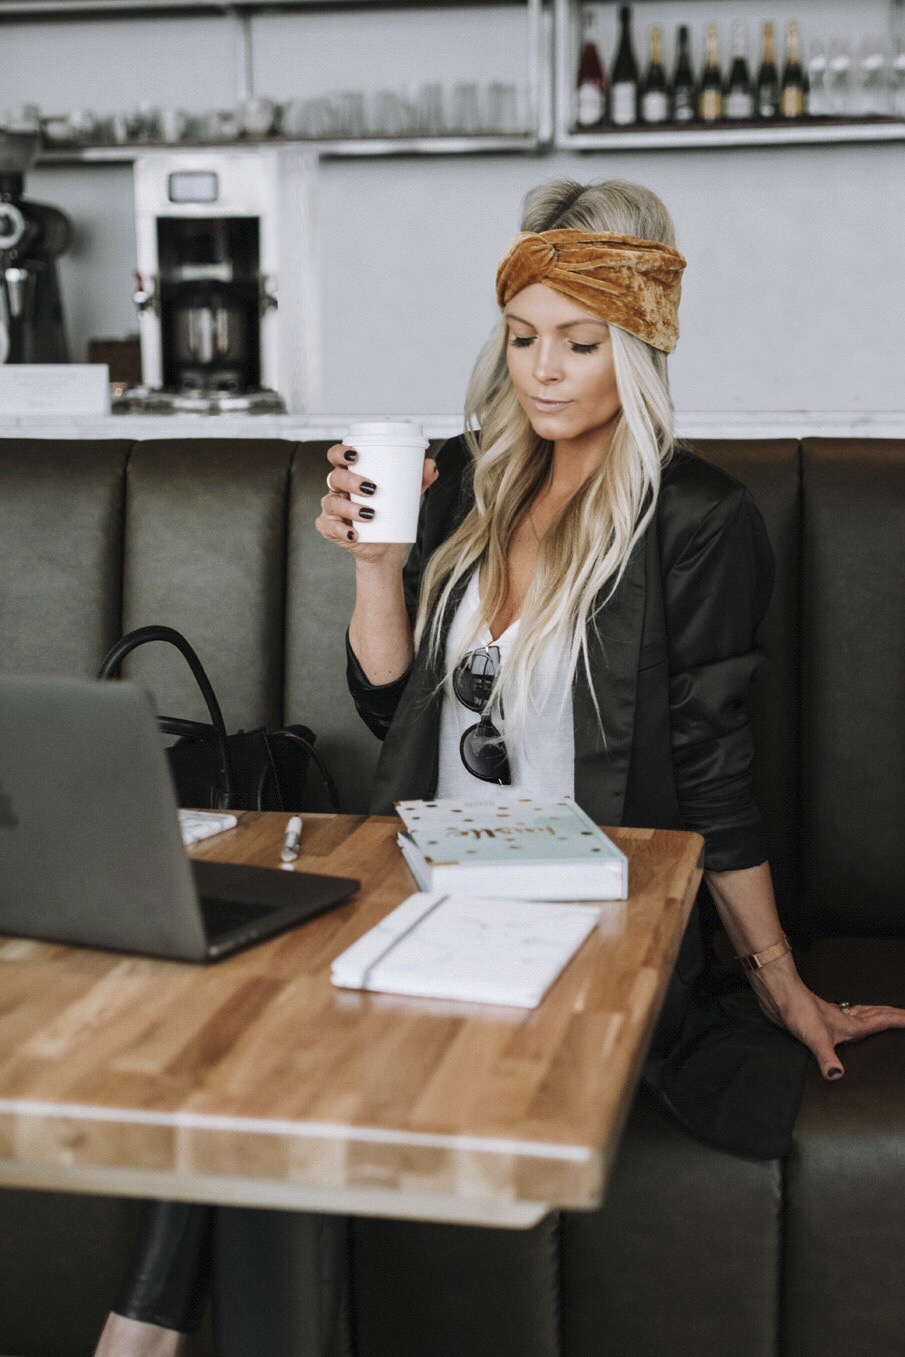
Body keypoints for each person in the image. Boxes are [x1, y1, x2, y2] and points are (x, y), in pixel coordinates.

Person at [95, 177, 905, 1355]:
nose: (541, 370)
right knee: (261, 1031)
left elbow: (712, 768)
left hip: (592, 911)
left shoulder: (697, 520)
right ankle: (144, 1332)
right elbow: (388, 707)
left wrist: (773, 974)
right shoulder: (472, 486)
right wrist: (376, 566)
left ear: (638, 344)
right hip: (429, 878)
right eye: (521, 338)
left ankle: (141, 1333)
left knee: (309, 1054)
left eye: (578, 343)